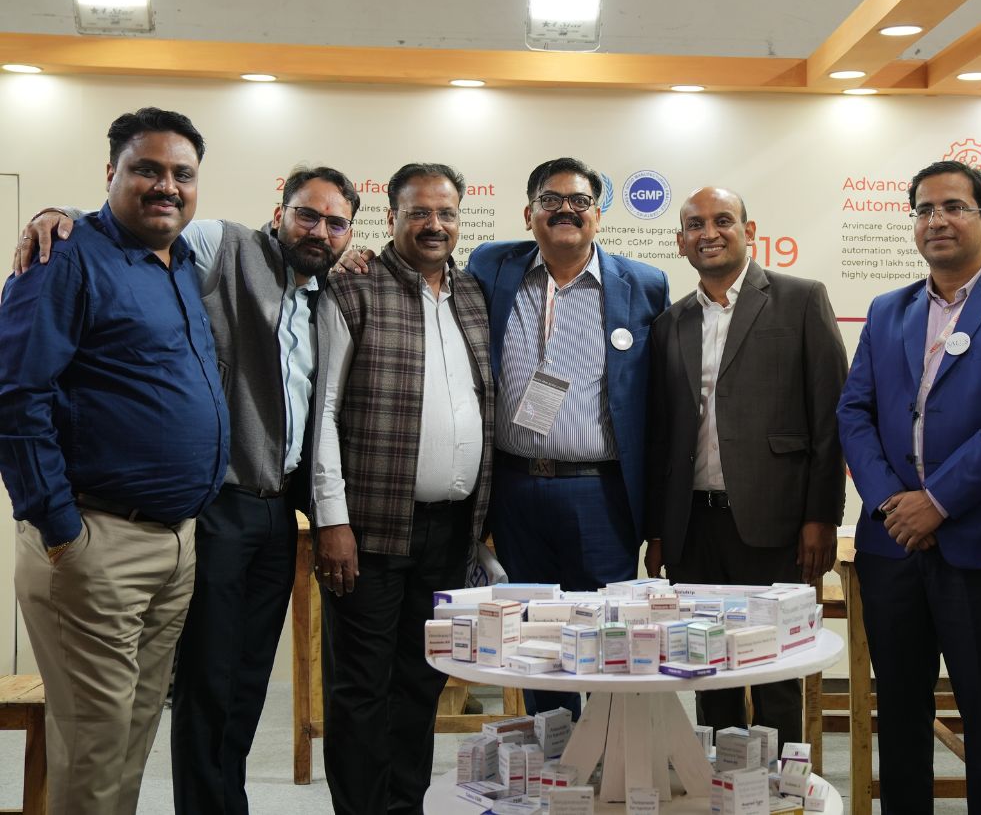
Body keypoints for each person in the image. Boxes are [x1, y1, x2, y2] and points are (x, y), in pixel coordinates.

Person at [16, 165, 360, 815]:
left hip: (279, 513)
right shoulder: (223, 244)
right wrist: (60, 217)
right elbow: (141, 224)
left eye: (335, 222)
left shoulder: (330, 296)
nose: (319, 230)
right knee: (207, 685)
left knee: (245, 684)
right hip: (220, 508)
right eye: (307, 215)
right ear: (279, 212)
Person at [0, 107, 229, 815]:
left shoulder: (182, 263)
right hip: (96, 543)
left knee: (131, 734)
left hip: (175, 544)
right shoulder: (64, 258)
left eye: (182, 174)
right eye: (147, 170)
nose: (167, 186)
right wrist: (59, 527)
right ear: (110, 173)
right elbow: (17, 396)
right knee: (95, 747)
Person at [836, 159, 981, 814]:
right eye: (923, 209)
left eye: (953, 207)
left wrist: (937, 502)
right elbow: (853, 411)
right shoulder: (889, 311)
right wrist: (892, 502)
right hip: (894, 546)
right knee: (900, 711)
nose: (936, 220)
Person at [312, 162, 493, 815]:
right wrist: (332, 521)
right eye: (418, 212)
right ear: (392, 218)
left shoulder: (473, 293)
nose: (433, 224)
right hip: (369, 527)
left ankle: (404, 807)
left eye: (446, 213)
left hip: (451, 530)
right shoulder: (353, 287)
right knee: (361, 688)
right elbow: (324, 412)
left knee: (421, 682)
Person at [466, 156, 669, 716]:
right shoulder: (491, 266)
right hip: (515, 490)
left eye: (580, 201)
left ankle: (608, 751)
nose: (566, 210)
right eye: (550, 200)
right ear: (528, 213)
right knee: (537, 637)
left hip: (601, 493)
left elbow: (660, 403)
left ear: (598, 214)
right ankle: (553, 752)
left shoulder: (644, 285)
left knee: (606, 636)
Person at [644, 186, 847, 744]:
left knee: (775, 670)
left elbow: (830, 417)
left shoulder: (800, 300)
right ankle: (720, 780)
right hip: (693, 528)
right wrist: (658, 532)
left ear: (749, 231)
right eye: (695, 225)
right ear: (680, 241)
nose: (708, 233)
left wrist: (821, 517)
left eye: (722, 220)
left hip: (774, 523)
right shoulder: (670, 323)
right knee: (707, 670)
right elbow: (662, 437)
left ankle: (781, 783)